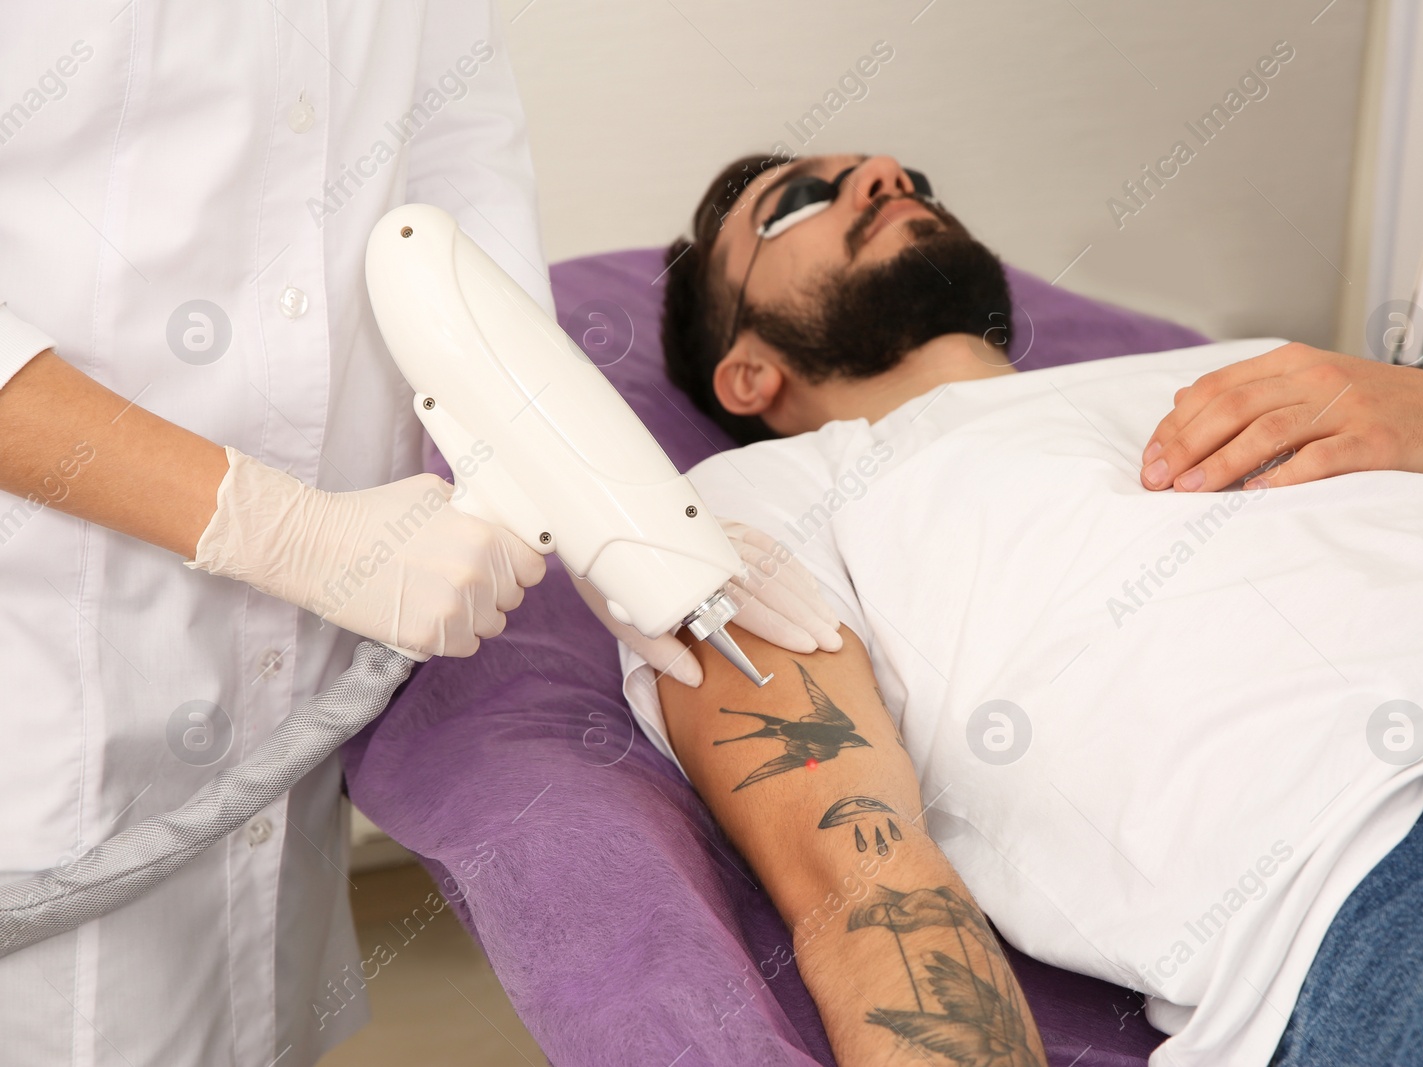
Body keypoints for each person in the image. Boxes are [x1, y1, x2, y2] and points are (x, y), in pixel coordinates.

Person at [614, 151, 1423, 1066]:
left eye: (899, 170)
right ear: (747, 372)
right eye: (797, 201)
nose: (881, 171)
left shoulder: (1258, 364)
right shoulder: (760, 502)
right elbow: (861, 879)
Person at [0, 11, 834, 1065]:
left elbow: (452, 193)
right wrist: (275, 529)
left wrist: (604, 499)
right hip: (40, 676)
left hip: (281, 698)